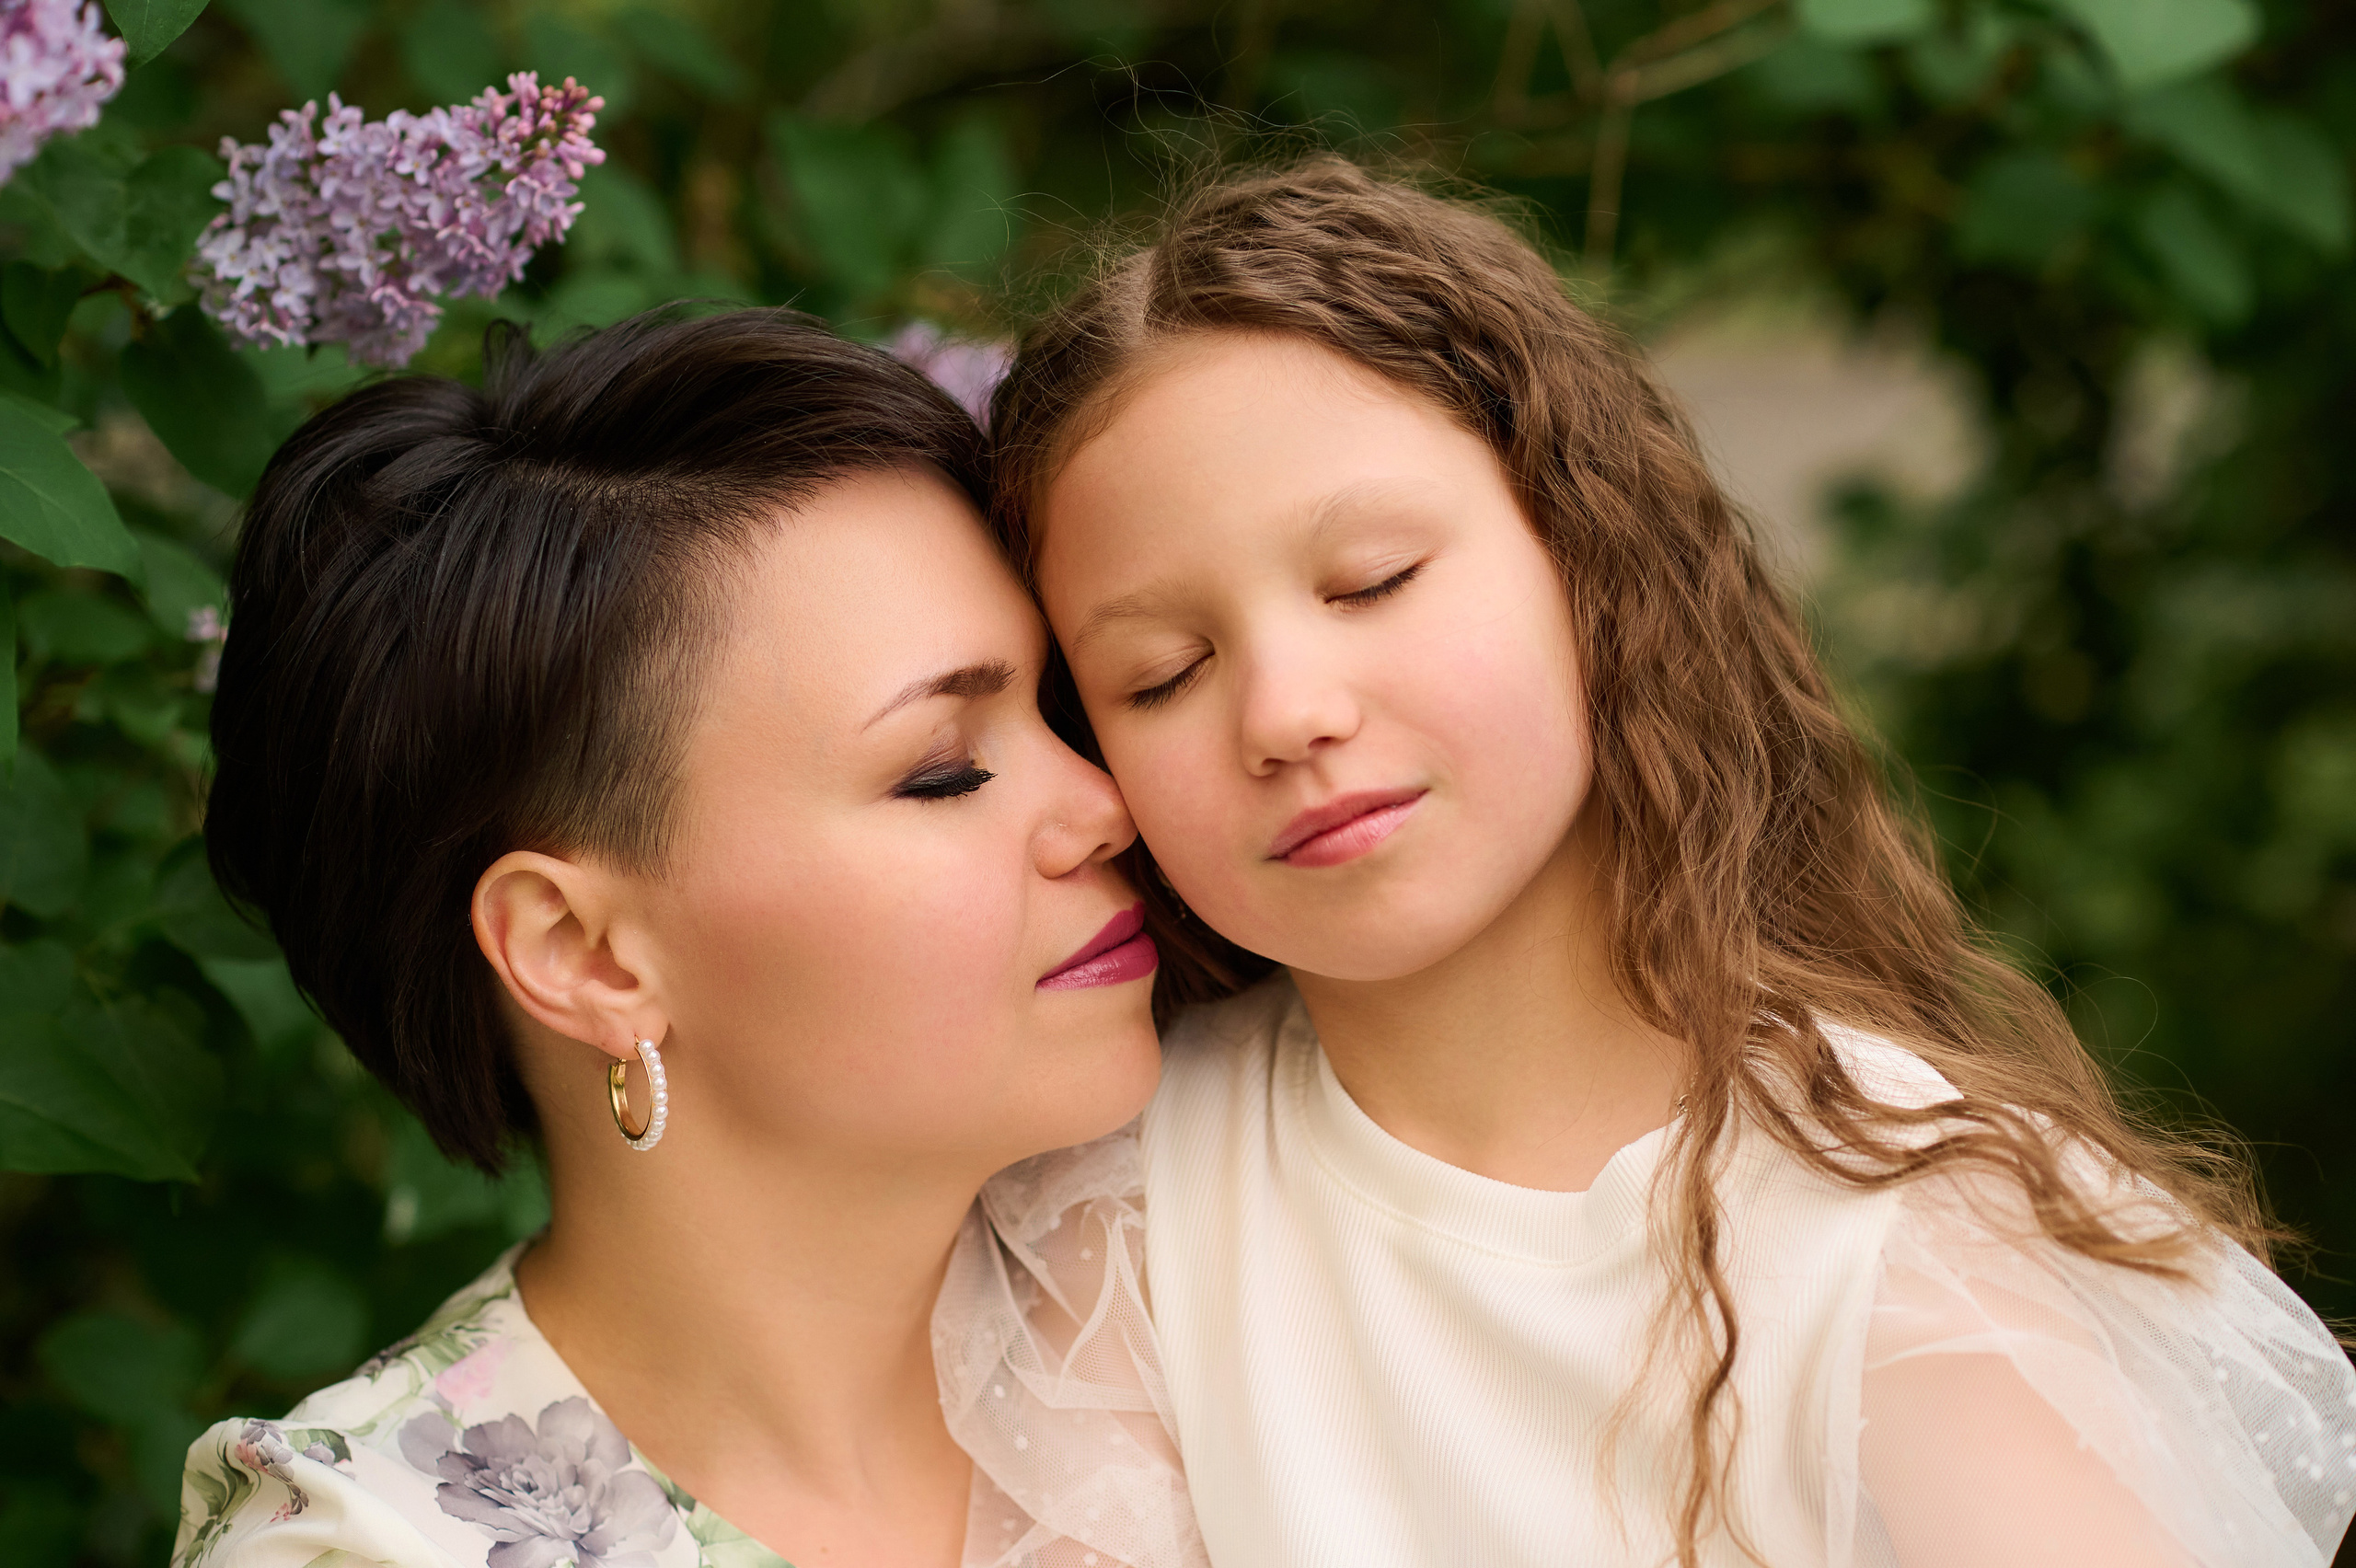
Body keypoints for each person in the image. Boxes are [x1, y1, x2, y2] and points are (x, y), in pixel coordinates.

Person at [980, 159, 2356, 1567]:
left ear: (1590, 558)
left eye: (1373, 580)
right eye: (1163, 673)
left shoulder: (1901, 1254)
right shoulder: (1125, 1212)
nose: (1285, 713)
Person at [177, 308, 1199, 1568]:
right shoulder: (374, 1545)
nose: (1106, 805)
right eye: (941, 770)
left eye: (1060, 710)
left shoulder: (1235, 1246)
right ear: (584, 954)